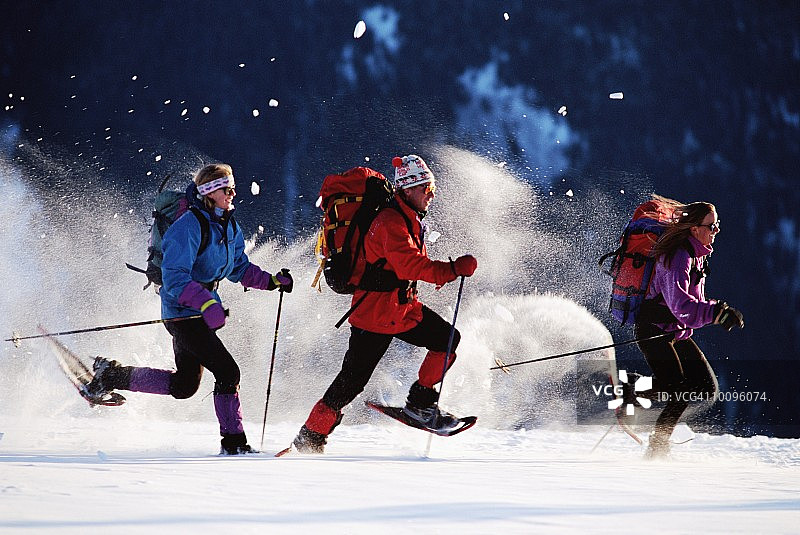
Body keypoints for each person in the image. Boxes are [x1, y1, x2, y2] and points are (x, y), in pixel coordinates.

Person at [86, 163, 293, 455]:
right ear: (210, 193)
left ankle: (112, 376)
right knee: (228, 372)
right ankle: (234, 444)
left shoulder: (228, 225)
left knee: (184, 386)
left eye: (232, 187)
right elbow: (174, 278)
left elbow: (238, 268)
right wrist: (207, 302)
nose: (233, 192)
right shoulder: (188, 227)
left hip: (199, 313)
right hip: (181, 313)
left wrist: (271, 281)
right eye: (226, 188)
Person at [291, 154, 478, 453]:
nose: (432, 194)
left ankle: (420, 403)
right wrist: (451, 269)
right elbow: (410, 267)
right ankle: (311, 436)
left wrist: (448, 271)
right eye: (426, 188)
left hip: (400, 309)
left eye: (432, 187)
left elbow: (405, 270)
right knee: (351, 382)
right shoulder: (391, 221)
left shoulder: (408, 218)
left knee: (447, 339)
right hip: (375, 315)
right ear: (409, 189)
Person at [634, 195, 744, 459]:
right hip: (654, 330)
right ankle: (633, 398)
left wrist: (716, 309)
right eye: (711, 226)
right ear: (695, 228)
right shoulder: (678, 257)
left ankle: (655, 436)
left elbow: (690, 305)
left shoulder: (696, 255)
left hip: (674, 331)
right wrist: (716, 313)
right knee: (677, 388)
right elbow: (682, 306)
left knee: (704, 387)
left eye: (717, 226)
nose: (716, 232)